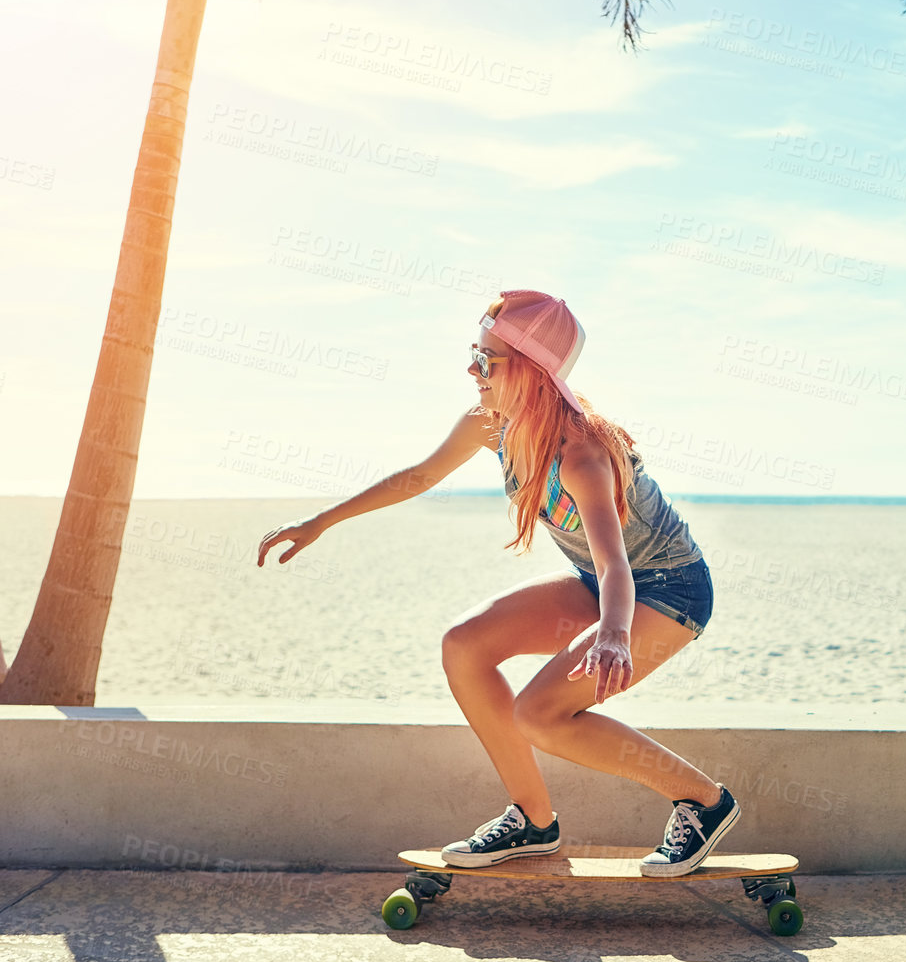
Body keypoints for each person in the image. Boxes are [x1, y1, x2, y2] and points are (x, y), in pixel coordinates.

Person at [256, 289, 737, 877]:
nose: (471, 369)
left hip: (668, 589)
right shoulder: (493, 424)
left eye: (487, 360)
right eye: (473, 354)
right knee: (465, 644)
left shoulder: (581, 454)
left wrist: (614, 632)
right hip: (599, 582)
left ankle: (704, 802)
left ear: (532, 373)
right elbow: (420, 475)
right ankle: (535, 822)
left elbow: (617, 563)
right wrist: (320, 522)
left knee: (540, 714)